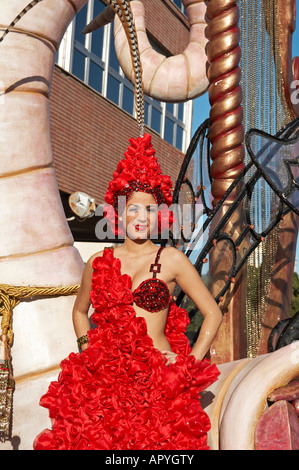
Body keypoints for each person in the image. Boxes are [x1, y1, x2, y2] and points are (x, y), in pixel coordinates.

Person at [33, 134, 223, 450]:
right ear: (119, 213)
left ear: (160, 215)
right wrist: (87, 350)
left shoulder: (172, 260)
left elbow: (213, 313)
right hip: (103, 387)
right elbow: (80, 312)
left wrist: (188, 364)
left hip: (158, 383)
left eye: (149, 211)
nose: (140, 218)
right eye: (133, 209)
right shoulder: (97, 262)